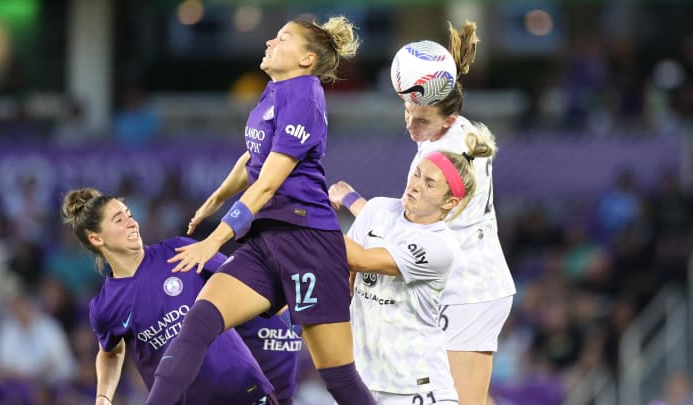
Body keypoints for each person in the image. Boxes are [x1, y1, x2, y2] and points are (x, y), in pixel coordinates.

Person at [146, 16, 376, 405]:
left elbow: (269, 182)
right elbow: (253, 155)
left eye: (283, 37)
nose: (270, 40)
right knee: (197, 324)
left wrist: (214, 240)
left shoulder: (305, 96)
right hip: (265, 239)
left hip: (308, 243)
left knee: (339, 379)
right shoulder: (274, 90)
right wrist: (217, 197)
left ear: (306, 59)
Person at [329, 20, 516, 405]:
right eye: (408, 112)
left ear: (446, 120)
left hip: (470, 291)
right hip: (461, 284)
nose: (411, 125)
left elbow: (402, 226)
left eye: (422, 120)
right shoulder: (453, 129)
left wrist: (349, 200)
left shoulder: (441, 159)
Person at [61, 187, 290, 405]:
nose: (132, 223)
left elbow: (251, 282)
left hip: (243, 391)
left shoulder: (180, 251)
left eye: (130, 215)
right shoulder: (105, 307)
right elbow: (111, 352)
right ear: (97, 239)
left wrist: (294, 318)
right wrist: (104, 398)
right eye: (119, 220)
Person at [344, 126, 496, 404]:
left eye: (429, 183)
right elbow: (347, 272)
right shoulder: (377, 209)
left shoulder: (440, 246)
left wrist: (311, 214)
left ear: (450, 202)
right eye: (417, 173)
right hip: (363, 382)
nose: (414, 185)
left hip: (416, 390)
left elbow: (359, 259)